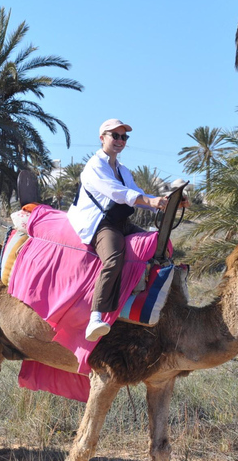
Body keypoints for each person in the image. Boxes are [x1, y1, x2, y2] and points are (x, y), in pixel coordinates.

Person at [67, 118, 187, 341]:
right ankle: (96, 316)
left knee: (154, 245)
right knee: (113, 258)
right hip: (101, 223)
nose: (120, 140)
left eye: (124, 137)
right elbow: (118, 193)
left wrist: (167, 202)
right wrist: (150, 202)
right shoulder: (95, 167)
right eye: (115, 136)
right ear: (102, 138)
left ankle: (140, 302)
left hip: (120, 221)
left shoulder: (122, 170)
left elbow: (137, 193)